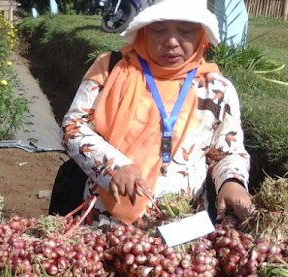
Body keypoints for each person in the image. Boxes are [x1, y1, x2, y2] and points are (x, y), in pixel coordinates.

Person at [61, 0, 251, 227]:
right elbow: (73, 127)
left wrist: (232, 181)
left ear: (201, 33)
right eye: (158, 30)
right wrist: (113, 166)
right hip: (106, 219)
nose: (171, 42)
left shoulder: (216, 89)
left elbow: (228, 151)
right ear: (142, 32)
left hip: (183, 224)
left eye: (186, 30)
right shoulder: (112, 70)